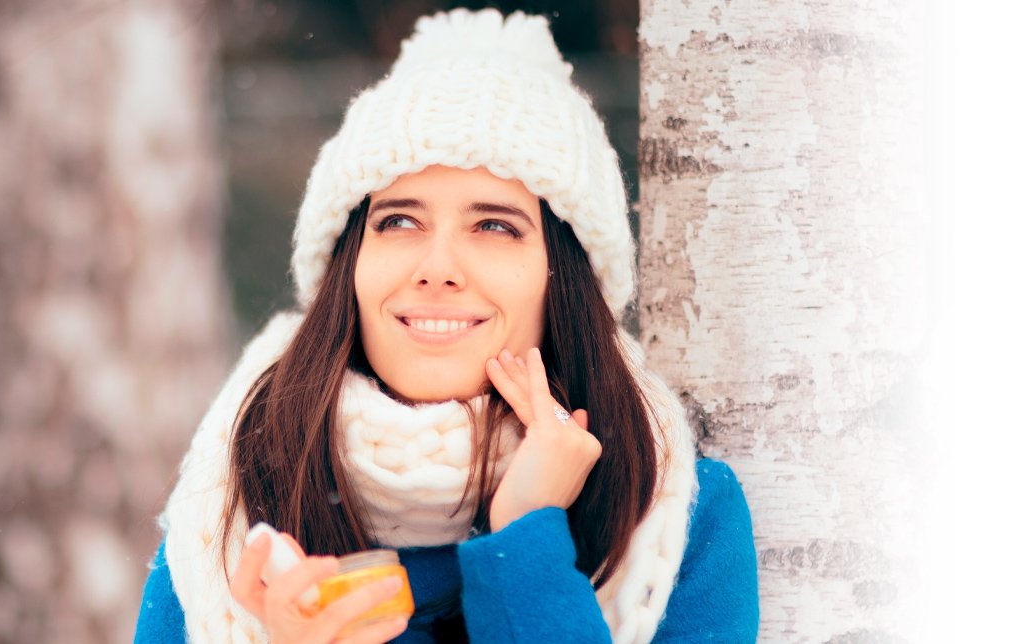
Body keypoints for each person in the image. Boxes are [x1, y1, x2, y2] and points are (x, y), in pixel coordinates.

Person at [132, 9, 759, 644]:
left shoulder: (678, 515)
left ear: (563, 280)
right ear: (347, 266)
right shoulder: (231, 514)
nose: (438, 269)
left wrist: (527, 547)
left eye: (494, 226)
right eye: (399, 221)